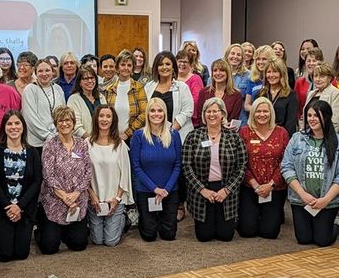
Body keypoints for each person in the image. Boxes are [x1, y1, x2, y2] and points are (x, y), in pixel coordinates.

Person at [282, 100, 339, 247]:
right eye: (309, 115)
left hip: (328, 201)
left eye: (316, 115)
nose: (312, 119)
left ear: (326, 117)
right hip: (301, 200)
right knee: (304, 239)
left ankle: (337, 222)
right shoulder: (297, 138)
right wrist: (302, 194)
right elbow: (286, 168)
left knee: (322, 240)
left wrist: (326, 200)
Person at [182, 98, 248, 242]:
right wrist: (202, 190)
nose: (212, 115)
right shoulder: (193, 136)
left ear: (222, 114)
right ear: (204, 114)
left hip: (226, 189)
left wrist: (227, 189)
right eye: (208, 111)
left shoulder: (234, 137)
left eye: (215, 111)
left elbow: (242, 166)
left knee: (226, 236)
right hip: (201, 190)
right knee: (204, 236)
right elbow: (186, 166)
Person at [0, 110, 42, 262]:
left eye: (17, 123)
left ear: (23, 127)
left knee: (21, 254)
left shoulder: (32, 152)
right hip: (3, 209)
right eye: (9, 124)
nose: (13, 127)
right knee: (5, 255)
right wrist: (9, 206)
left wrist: (19, 206)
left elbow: (37, 182)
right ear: (4, 127)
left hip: (24, 209)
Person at [37, 106, 93, 254]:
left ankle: (65, 231)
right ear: (56, 124)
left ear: (73, 122)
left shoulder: (81, 144)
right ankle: (44, 230)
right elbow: (48, 175)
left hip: (77, 201)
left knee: (79, 245)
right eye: (60, 120)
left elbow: (88, 171)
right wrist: (65, 197)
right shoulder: (50, 145)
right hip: (54, 202)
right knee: (49, 248)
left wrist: (76, 194)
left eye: (67, 120)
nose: (64, 124)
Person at [130, 98, 182, 242]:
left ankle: (160, 218)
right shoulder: (138, 136)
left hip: (169, 191)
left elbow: (178, 165)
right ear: (147, 114)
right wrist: (155, 189)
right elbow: (136, 167)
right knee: (149, 235)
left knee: (168, 235)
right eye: (152, 110)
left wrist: (166, 189)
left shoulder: (174, 135)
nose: (156, 114)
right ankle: (148, 220)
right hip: (146, 190)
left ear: (165, 113)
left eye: (160, 110)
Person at [237, 97, 289, 239]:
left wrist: (271, 184)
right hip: (250, 186)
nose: (262, 114)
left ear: (271, 113)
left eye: (265, 111)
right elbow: (240, 162)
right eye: (258, 111)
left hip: (274, 187)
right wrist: (254, 184)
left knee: (270, 233)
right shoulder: (244, 132)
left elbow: (286, 162)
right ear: (252, 113)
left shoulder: (282, 133)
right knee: (247, 231)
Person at [86, 105, 133, 246]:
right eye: (101, 116)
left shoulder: (120, 145)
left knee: (111, 241)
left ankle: (123, 217)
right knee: (98, 240)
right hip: (95, 201)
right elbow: (83, 174)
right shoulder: (87, 143)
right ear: (96, 119)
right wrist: (92, 195)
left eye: (108, 116)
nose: (104, 119)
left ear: (113, 120)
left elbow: (125, 175)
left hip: (115, 199)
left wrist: (117, 199)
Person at [144, 51, 194, 141]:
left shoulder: (182, 87)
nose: (164, 67)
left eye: (167, 64)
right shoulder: (148, 87)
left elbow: (187, 111)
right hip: (153, 136)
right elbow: (145, 110)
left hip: (178, 135)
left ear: (173, 67)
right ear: (156, 68)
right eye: (160, 64)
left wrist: (170, 131)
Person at [102, 50, 148, 141]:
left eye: (129, 65)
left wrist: (128, 133)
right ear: (117, 68)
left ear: (133, 68)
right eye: (123, 65)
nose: (126, 68)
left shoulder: (139, 88)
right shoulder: (109, 89)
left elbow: (145, 113)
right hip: (112, 137)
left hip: (133, 138)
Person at [23, 60, 67, 152]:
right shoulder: (30, 90)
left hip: (58, 140)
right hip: (37, 143)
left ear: (52, 71)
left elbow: (63, 114)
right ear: (35, 73)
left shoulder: (58, 89)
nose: (44, 74)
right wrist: (48, 136)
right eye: (40, 71)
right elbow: (30, 118)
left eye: (47, 70)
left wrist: (58, 134)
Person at [193, 59, 242, 128]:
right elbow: (200, 117)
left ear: (228, 73)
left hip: (226, 133)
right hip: (206, 132)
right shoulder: (204, 92)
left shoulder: (236, 95)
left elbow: (233, 120)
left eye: (222, 70)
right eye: (215, 70)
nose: (218, 73)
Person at [259, 58, 300, 136]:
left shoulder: (291, 95)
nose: (271, 75)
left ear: (282, 74)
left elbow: (290, 124)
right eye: (268, 72)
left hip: (282, 137)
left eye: (275, 71)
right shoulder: (261, 94)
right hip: (262, 136)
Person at [66, 65, 102, 138]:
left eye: (92, 78)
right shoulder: (73, 99)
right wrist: (91, 141)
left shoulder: (101, 97)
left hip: (102, 142)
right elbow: (76, 127)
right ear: (79, 82)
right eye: (85, 78)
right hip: (82, 144)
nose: (89, 81)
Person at [243, 45, 275, 123]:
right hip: (255, 120)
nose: (260, 62)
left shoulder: (275, 79)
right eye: (258, 59)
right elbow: (247, 105)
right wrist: (259, 111)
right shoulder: (252, 80)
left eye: (264, 59)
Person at [294, 48, 324, 126]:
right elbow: (296, 105)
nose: (311, 63)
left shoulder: (330, 81)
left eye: (314, 61)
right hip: (304, 123)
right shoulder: (300, 82)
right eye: (308, 61)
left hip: (323, 123)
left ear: (321, 62)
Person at [224, 44, 250, 114]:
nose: (235, 57)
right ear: (227, 55)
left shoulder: (248, 75)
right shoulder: (219, 73)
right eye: (232, 53)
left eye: (238, 55)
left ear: (242, 58)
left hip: (241, 117)